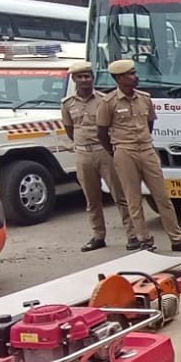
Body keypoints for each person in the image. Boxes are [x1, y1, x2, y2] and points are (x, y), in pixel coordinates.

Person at [96, 59, 181, 253]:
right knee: (133, 198)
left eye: (135, 72)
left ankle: (176, 238)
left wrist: (143, 141)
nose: (136, 77)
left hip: (146, 149)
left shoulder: (144, 98)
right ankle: (144, 239)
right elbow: (102, 132)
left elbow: (150, 124)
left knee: (162, 197)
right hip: (124, 150)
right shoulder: (109, 102)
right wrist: (116, 150)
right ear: (119, 78)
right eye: (131, 74)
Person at [62, 60, 135, 251]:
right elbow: (70, 129)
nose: (85, 80)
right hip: (83, 154)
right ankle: (98, 236)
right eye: (80, 77)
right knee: (91, 199)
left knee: (120, 195)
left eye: (88, 76)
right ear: (74, 80)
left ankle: (133, 235)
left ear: (93, 78)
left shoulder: (104, 100)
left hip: (104, 151)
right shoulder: (68, 104)